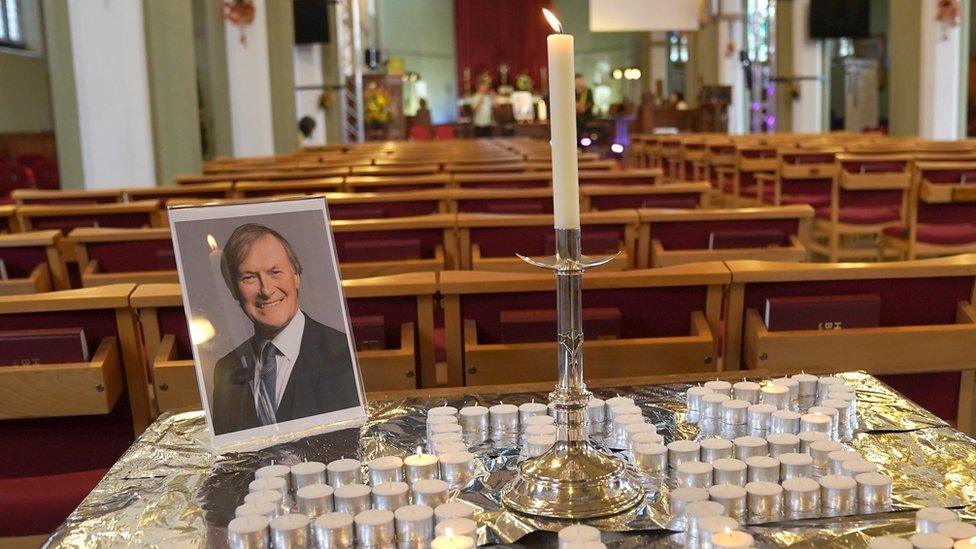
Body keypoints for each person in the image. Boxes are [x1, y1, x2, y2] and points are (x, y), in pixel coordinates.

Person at [211, 223, 359, 435]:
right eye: (249, 277)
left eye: (275, 272)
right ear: (234, 289)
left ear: (296, 276)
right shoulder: (226, 369)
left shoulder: (342, 353)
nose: (266, 290)